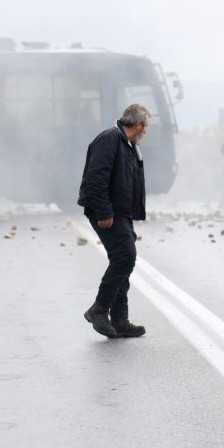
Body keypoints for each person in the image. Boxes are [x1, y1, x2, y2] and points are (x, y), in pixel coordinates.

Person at [77, 103, 150, 339]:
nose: (146, 131)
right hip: (108, 212)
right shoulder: (110, 139)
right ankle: (99, 310)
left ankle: (120, 321)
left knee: (123, 262)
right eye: (146, 126)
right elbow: (95, 178)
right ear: (138, 124)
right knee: (125, 257)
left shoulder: (127, 144)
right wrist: (104, 212)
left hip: (121, 212)